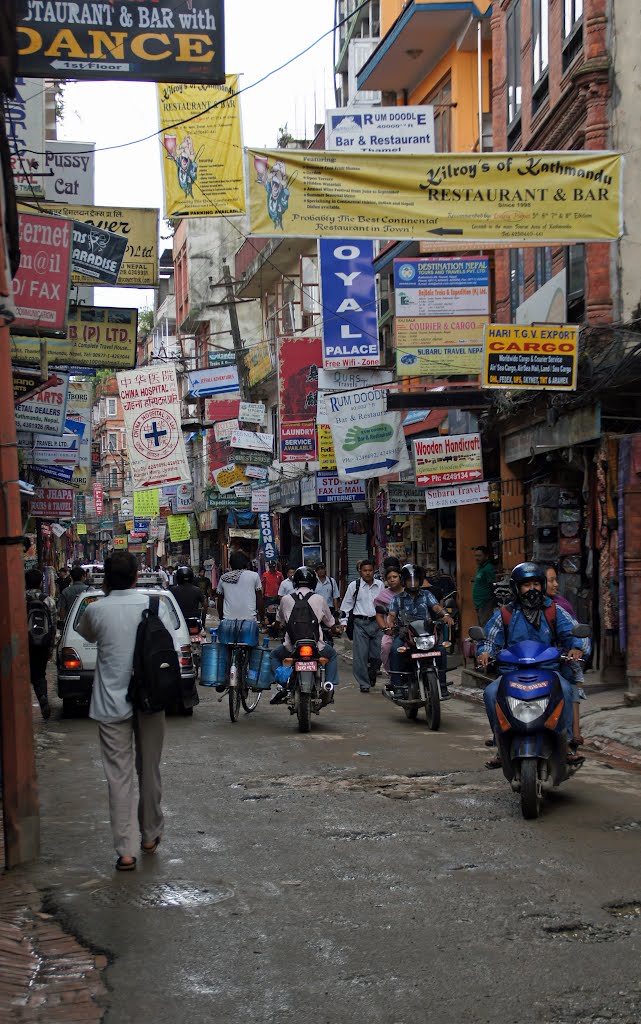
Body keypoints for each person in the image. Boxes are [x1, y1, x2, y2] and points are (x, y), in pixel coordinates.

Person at [76, 552, 177, 870]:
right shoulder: (152, 605)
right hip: (150, 698)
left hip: (110, 703)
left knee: (118, 778)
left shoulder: (96, 609)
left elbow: (86, 633)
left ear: (106, 578)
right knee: (149, 769)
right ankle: (149, 835)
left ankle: (125, 851)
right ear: (136, 576)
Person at [477, 562, 584, 768]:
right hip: (512, 673)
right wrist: (485, 652)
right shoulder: (505, 614)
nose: (532, 589)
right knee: (491, 693)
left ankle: (568, 745)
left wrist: (576, 647)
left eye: (536, 584)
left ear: (542, 585)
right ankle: (501, 744)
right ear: (517, 588)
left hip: (549, 671)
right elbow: (489, 639)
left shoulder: (554, 611)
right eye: (526, 585)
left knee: (567, 690)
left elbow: (573, 632)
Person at [270, 565, 338, 703]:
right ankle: (328, 685)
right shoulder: (319, 599)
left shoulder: (286, 599)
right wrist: (335, 630)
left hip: (292, 646)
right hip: (316, 645)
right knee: (332, 655)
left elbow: (280, 621)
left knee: (274, 655)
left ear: (295, 581)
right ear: (314, 582)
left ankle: (283, 685)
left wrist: (274, 626)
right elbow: (330, 623)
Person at [387, 564, 454, 700]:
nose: (412, 583)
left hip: (426, 633)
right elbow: (392, 615)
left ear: (420, 580)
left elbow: (436, 607)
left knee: (441, 650)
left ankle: (442, 685)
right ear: (404, 581)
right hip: (405, 634)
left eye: (415, 580)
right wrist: (389, 625)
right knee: (394, 650)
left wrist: (445, 616)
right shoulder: (397, 598)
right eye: (409, 580)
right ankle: (397, 685)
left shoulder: (427, 595)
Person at [545, 564, 588, 745]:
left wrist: (576, 647)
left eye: (556, 580)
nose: (556, 584)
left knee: (571, 687)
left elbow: (575, 633)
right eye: (551, 580)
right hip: (536, 662)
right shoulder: (516, 609)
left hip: (563, 659)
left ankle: (572, 736)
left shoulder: (560, 605)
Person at [340, 559, 384, 693]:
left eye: (370, 570)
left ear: (373, 571)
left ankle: (372, 673)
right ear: (360, 571)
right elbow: (346, 605)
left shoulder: (380, 585)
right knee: (360, 656)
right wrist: (344, 622)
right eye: (365, 571)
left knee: (379, 654)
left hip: (378, 623)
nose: (368, 573)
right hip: (360, 624)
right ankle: (364, 683)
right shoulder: (354, 586)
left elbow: (385, 603)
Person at [25, 568, 57, 720]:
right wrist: (51, 647)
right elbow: (53, 626)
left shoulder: (19, 598)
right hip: (42, 643)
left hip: (23, 644)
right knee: (40, 673)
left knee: (21, 674)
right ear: (41, 582)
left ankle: (23, 707)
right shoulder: (48, 600)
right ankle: (42, 696)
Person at [216, 551, 264, 623]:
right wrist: (262, 617)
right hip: (249, 619)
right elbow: (259, 598)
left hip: (228, 619)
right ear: (246, 563)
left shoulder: (224, 578)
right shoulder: (254, 576)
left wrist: (221, 617)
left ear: (231, 564)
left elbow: (219, 601)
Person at [375, 564, 404, 674]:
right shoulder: (383, 596)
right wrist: (385, 628)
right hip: (393, 630)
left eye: (395, 577)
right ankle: (392, 673)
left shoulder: (409, 591)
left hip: (411, 629)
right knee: (385, 646)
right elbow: (379, 615)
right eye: (389, 578)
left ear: (400, 577)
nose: (392, 580)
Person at [472, 546, 496, 626]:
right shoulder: (480, 567)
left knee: (485, 625)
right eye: (476, 556)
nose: (477, 558)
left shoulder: (488, 568)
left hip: (486, 602)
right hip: (478, 603)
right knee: (481, 625)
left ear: (486, 556)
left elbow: (493, 584)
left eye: (479, 556)